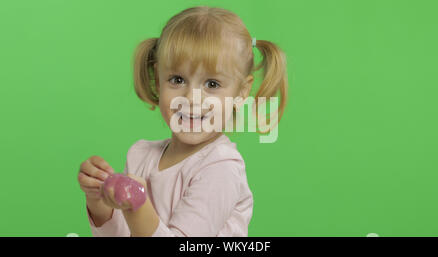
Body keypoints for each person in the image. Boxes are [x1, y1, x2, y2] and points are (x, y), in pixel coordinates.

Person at [77, 5, 288, 237]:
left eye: (212, 84)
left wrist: (137, 204)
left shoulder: (221, 168)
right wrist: (100, 202)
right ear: (158, 80)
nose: (191, 98)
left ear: (241, 92)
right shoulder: (140, 155)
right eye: (177, 79)